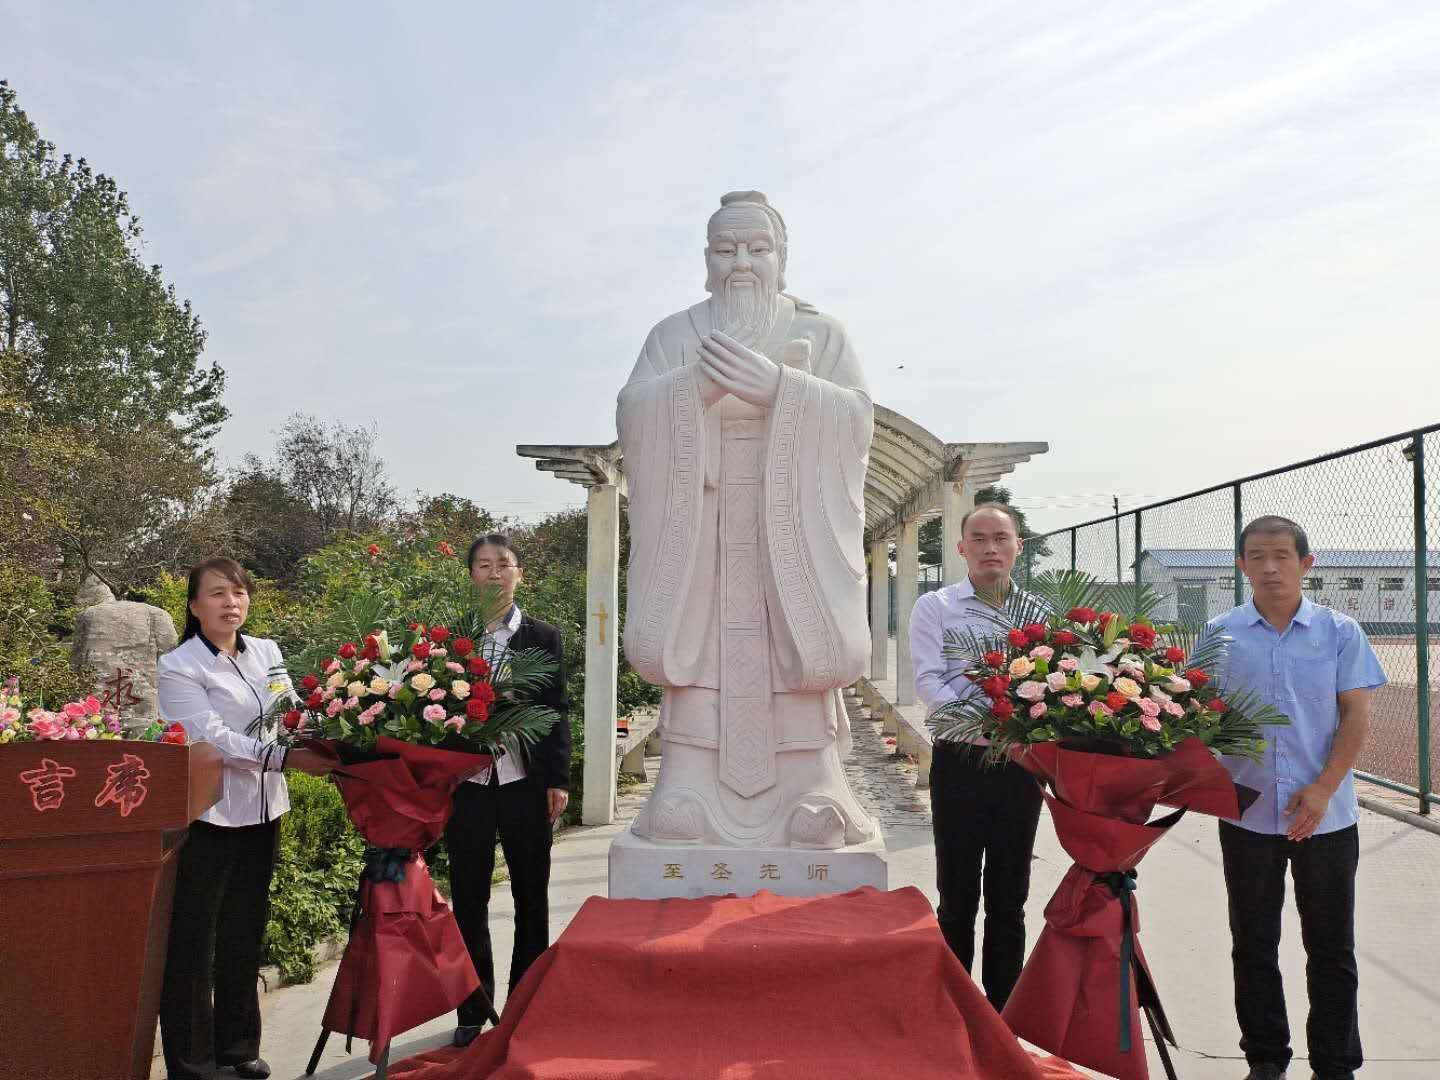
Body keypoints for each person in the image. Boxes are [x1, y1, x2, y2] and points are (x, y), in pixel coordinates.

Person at [616, 189, 877, 849]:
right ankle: (685, 785)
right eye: (726, 249)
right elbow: (633, 415)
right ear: (706, 259)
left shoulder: (820, 335)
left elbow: (856, 422)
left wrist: (784, 392)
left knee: (789, 643)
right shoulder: (674, 336)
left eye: (757, 249)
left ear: (780, 259)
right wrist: (690, 392)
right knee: (702, 646)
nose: (741, 263)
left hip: (787, 533)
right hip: (701, 536)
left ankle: (813, 788)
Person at [1210, 516, 1385, 1080]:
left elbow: (1355, 714)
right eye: (1256, 556)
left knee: (1332, 947)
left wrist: (1324, 788)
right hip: (1247, 816)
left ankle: (1335, 1063)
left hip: (1327, 818)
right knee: (1253, 942)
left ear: (1306, 564)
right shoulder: (1220, 635)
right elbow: (1194, 716)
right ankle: (1265, 1057)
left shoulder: (1339, 632)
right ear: (1242, 566)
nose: (1269, 567)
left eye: (1282, 556)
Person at [156, 558, 333, 1080]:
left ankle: (239, 1048)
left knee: (243, 929)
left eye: (237, 592)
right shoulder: (180, 666)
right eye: (216, 594)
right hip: (207, 816)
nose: (230, 602)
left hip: (262, 811)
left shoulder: (267, 651)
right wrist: (285, 758)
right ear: (194, 607)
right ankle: (191, 1063)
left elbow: (289, 713)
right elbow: (209, 737)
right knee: (193, 938)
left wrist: (342, 728)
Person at [908, 503, 1043, 1010]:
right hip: (961, 763)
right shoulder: (936, 607)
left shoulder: (1038, 613)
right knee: (957, 893)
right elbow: (928, 680)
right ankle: (952, 1005)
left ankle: (1004, 1009)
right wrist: (990, 726)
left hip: (1022, 768)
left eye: (1001, 539)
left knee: (1011, 897)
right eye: (979, 539)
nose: (991, 548)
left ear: (1017, 547)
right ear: (961, 548)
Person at [446, 533, 571, 1047]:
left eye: (503, 564)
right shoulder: (450, 637)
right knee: (468, 899)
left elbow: (557, 709)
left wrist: (560, 778)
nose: (494, 573)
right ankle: (472, 1009)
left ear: (520, 574)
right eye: (483, 564)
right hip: (468, 787)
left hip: (526, 783)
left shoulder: (544, 637)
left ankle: (527, 1001)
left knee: (530, 895)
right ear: (471, 574)